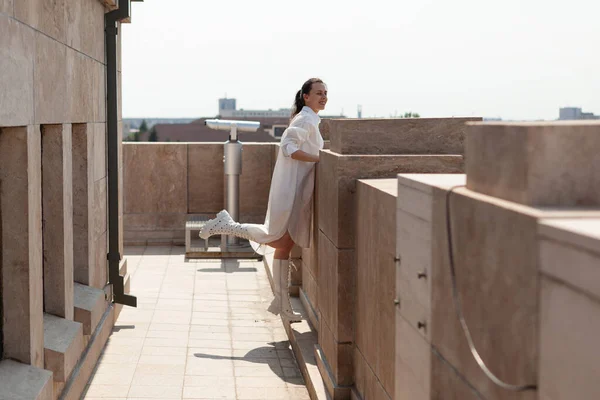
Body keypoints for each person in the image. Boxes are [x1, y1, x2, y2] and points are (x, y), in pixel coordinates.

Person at [200, 78, 327, 321]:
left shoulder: (311, 119)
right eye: (319, 93)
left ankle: (283, 304)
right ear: (306, 96)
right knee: (277, 239)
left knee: (285, 245)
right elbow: (288, 146)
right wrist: (320, 159)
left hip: (298, 191)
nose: (324, 97)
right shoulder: (305, 119)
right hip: (293, 192)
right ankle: (227, 225)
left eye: (326, 93)